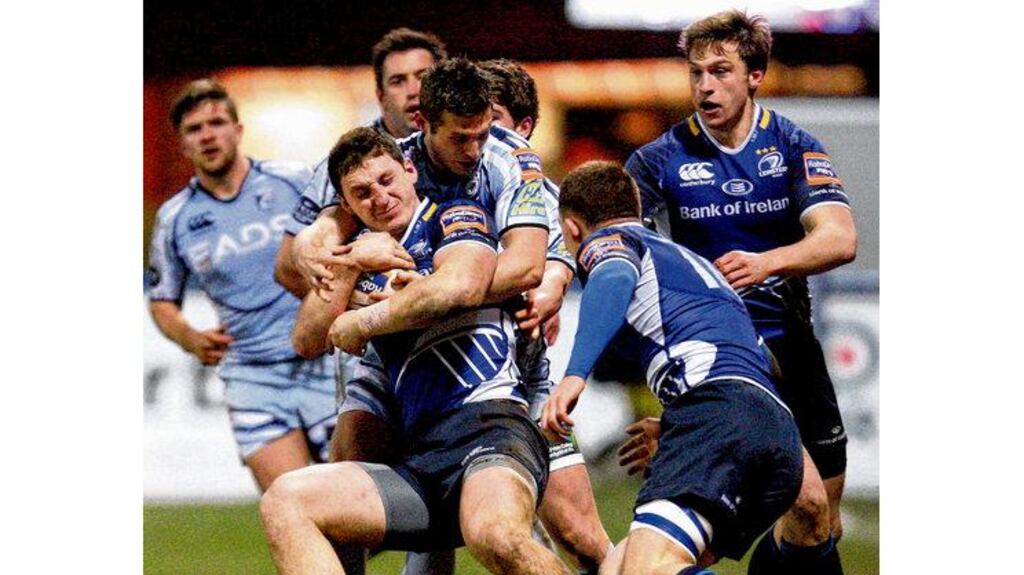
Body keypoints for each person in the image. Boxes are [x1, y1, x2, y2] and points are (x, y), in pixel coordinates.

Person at [260, 127, 574, 575]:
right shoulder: (361, 255)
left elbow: (459, 289)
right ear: (347, 206)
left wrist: (367, 317)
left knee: (497, 537)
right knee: (285, 500)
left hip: (489, 429)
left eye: (387, 180)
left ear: (409, 170)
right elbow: (308, 338)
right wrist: (352, 263)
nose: (380, 197)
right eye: (362, 193)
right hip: (417, 458)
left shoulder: (453, 216)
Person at [623, 10, 855, 574]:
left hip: (793, 349)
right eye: (696, 72)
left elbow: (839, 238)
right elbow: (620, 256)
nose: (705, 85)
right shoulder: (657, 161)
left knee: (818, 519)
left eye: (721, 71)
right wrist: (684, 411)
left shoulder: (793, 144)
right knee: (691, 539)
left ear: (755, 75)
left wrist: (766, 262)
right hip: (718, 354)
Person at [541, 161, 803, 575]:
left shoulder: (610, 241)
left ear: (572, 229)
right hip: (774, 433)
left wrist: (573, 376)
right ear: (638, 204)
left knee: (649, 570)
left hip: (718, 416)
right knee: (616, 569)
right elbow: (760, 364)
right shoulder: (689, 262)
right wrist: (679, 422)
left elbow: (612, 275)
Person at [145, 79, 336, 493]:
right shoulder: (175, 217)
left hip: (326, 361)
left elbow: (345, 233)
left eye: (216, 122)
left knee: (354, 511)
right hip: (253, 377)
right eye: (195, 129)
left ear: (238, 130)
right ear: (182, 145)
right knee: (293, 505)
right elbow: (161, 299)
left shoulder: (293, 180)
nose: (208, 135)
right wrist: (189, 337)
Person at [479, 57, 612, 572]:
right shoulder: (436, 190)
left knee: (581, 536)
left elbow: (566, 261)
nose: (479, 133)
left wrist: (554, 281)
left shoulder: (547, 202)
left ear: (525, 128)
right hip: (443, 401)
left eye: (492, 118)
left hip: (526, 391)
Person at [274, 27, 448, 296]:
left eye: (423, 77)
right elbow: (288, 267)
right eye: (398, 81)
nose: (414, 91)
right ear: (380, 97)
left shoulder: (469, 143)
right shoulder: (347, 160)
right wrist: (347, 306)